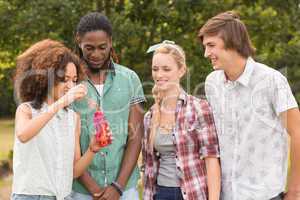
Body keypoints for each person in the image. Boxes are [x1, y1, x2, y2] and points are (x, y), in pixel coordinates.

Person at [198, 11, 300, 200]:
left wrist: (294, 190)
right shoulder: (211, 83)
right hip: (225, 195)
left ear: (232, 41)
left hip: (265, 195)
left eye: (211, 45)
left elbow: (297, 133)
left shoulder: (271, 80)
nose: (206, 53)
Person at [12, 39, 106, 200]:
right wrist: (62, 102)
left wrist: (92, 149)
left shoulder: (73, 118)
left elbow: (74, 171)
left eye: (74, 80)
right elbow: (24, 135)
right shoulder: (26, 110)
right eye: (64, 79)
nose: (71, 86)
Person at [71, 12, 145, 200]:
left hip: (124, 190)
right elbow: (66, 143)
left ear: (110, 42)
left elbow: (135, 137)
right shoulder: (68, 83)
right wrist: (94, 189)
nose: (96, 54)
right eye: (89, 48)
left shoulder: (130, 79)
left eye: (102, 47)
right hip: (81, 190)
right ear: (78, 41)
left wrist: (118, 187)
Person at [142, 40, 221, 200]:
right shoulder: (150, 116)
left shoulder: (199, 108)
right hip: (161, 193)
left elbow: (212, 162)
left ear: (181, 70)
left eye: (166, 69)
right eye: (155, 69)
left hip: (193, 193)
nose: (159, 75)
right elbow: (148, 167)